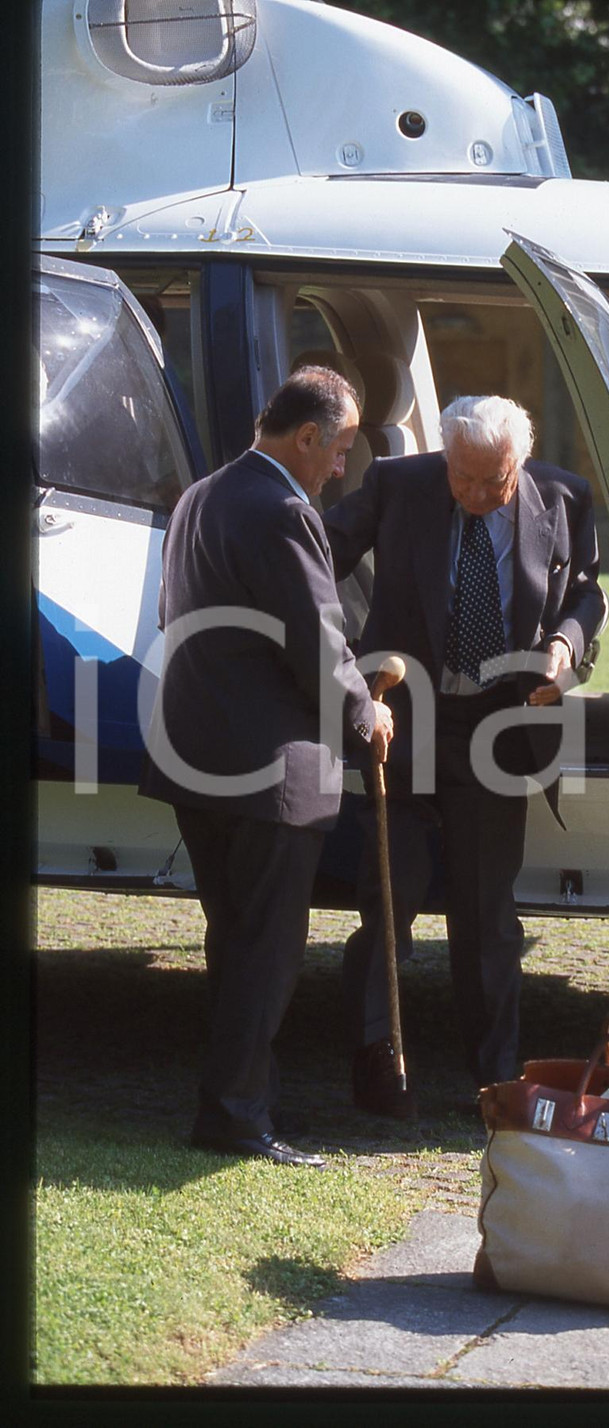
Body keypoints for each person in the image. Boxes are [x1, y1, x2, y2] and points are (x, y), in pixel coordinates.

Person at [324, 395, 605, 1117]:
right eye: (463, 479)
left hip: (499, 729)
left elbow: (586, 595)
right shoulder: (397, 484)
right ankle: (376, 1067)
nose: (478, 497)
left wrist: (566, 649)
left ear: (522, 459)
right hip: (406, 718)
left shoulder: (566, 496)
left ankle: (494, 1075)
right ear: (445, 458)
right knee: (390, 896)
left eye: (496, 481)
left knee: (487, 913)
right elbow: (315, 559)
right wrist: (347, 663)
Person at [141, 367, 393, 1166]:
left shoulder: (203, 495)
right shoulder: (284, 509)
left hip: (199, 755)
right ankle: (236, 1117)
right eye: (343, 447)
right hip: (269, 767)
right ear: (308, 436)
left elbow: (170, 615)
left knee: (236, 940)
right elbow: (317, 639)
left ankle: (243, 1101)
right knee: (266, 950)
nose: (343, 467)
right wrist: (365, 712)